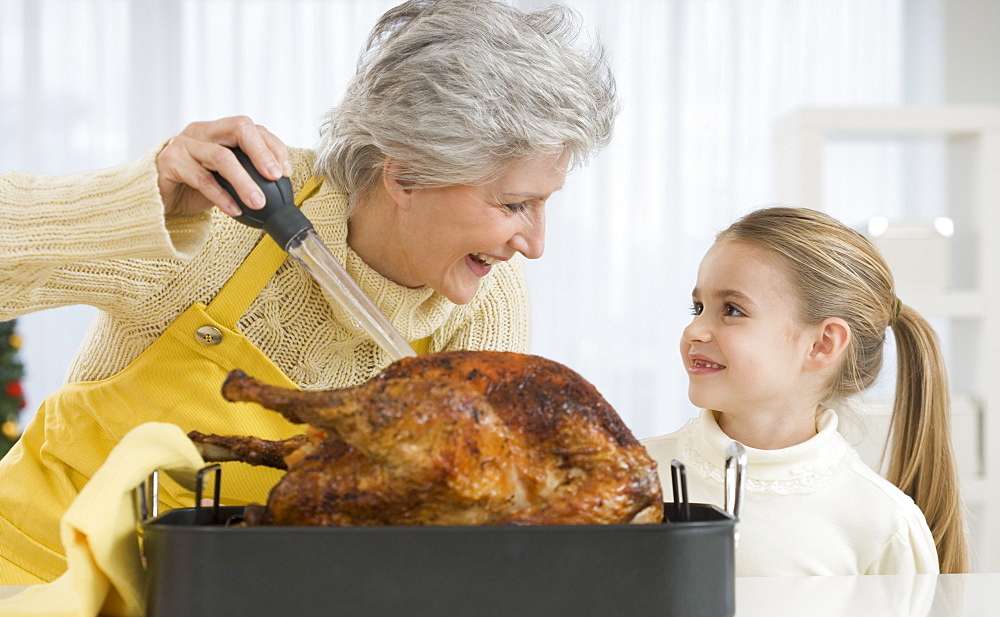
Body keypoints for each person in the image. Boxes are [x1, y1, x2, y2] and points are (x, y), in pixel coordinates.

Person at [0, 0, 618, 584]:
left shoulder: (487, 294)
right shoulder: (225, 214)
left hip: (233, 609)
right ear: (404, 174)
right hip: (32, 581)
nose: (534, 245)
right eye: (513, 204)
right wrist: (141, 200)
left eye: (542, 205)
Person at [643, 207, 969, 575]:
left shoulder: (882, 527)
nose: (694, 331)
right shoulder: (629, 478)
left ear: (822, 345)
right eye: (698, 307)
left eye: (732, 310)